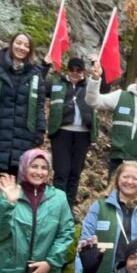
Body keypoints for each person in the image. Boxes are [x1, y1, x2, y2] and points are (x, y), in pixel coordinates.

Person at [0, 34, 46, 221]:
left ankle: (11, 212)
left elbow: (38, 105)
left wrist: (40, 130)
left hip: (23, 131)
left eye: (26, 45)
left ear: (30, 50)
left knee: (18, 172)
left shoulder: (35, 74)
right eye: (18, 43)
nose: (21, 47)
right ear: (11, 44)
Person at [47, 57, 97, 213]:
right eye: (72, 70)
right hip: (61, 132)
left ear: (83, 72)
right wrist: (44, 66)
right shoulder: (57, 83)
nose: (75, 73)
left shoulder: (90, 86)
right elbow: (40, 87)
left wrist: (97, 67)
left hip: (83, 134)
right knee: (61, 172)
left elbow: (105, 87)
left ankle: (68, 210)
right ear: (67, 70)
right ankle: (57, 208)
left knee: (75, 173)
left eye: (79, 70)